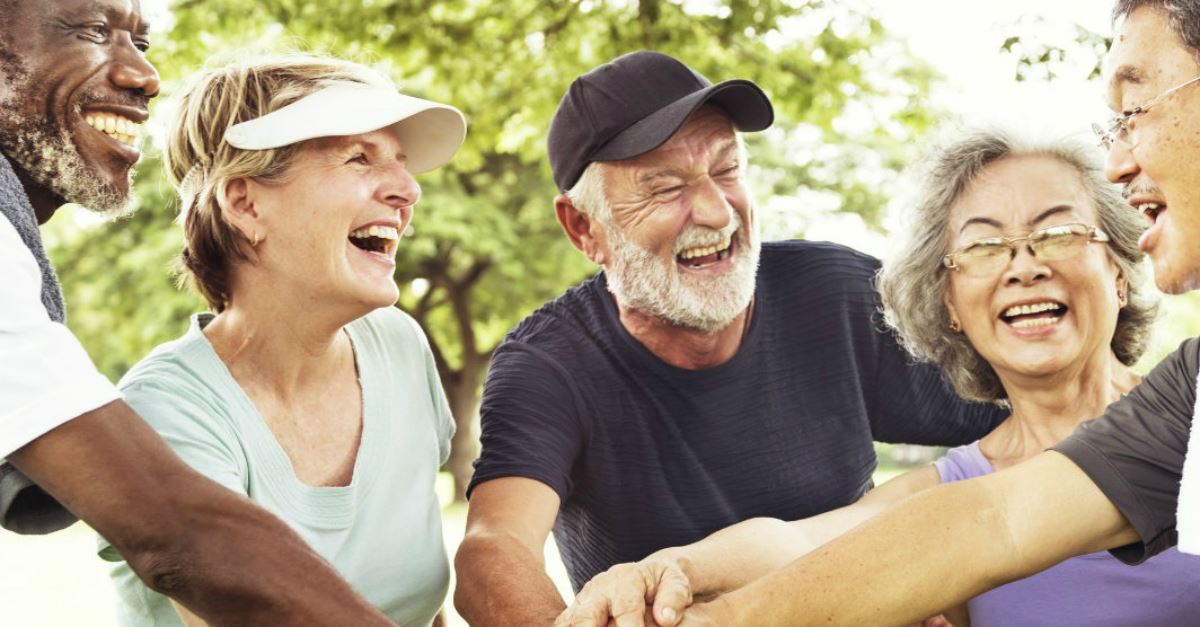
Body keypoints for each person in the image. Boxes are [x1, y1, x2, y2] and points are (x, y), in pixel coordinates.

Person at [584, 2, 1200, 625]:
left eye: (1059, 231)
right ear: (950, 306)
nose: (1025, 265)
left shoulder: (1185, 409)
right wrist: (674, 571)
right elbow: (815, 541)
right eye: (985, 246)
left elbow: (990, 526)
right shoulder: (960, 491)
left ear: (1120, 274)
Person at [453, 49, 1005, 626]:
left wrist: (940, 578)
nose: (717, 212)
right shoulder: (549, 362)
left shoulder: (838, 296)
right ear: (584, 229)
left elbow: (1034, 420)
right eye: (665, 188)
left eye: (727, 169)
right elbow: (495, 547)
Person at [0, 0, 394, 623]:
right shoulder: (175, 398)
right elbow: (176, 534)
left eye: (142, 43)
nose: (145, 77)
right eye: (95, 32)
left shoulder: (395, 350)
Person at [97, 54, 466, 627]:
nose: (407, 189)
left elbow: (415, 606)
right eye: (358, 158)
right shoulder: (165, 410)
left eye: (400, 161)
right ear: (245, 203)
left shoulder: (399, 346)